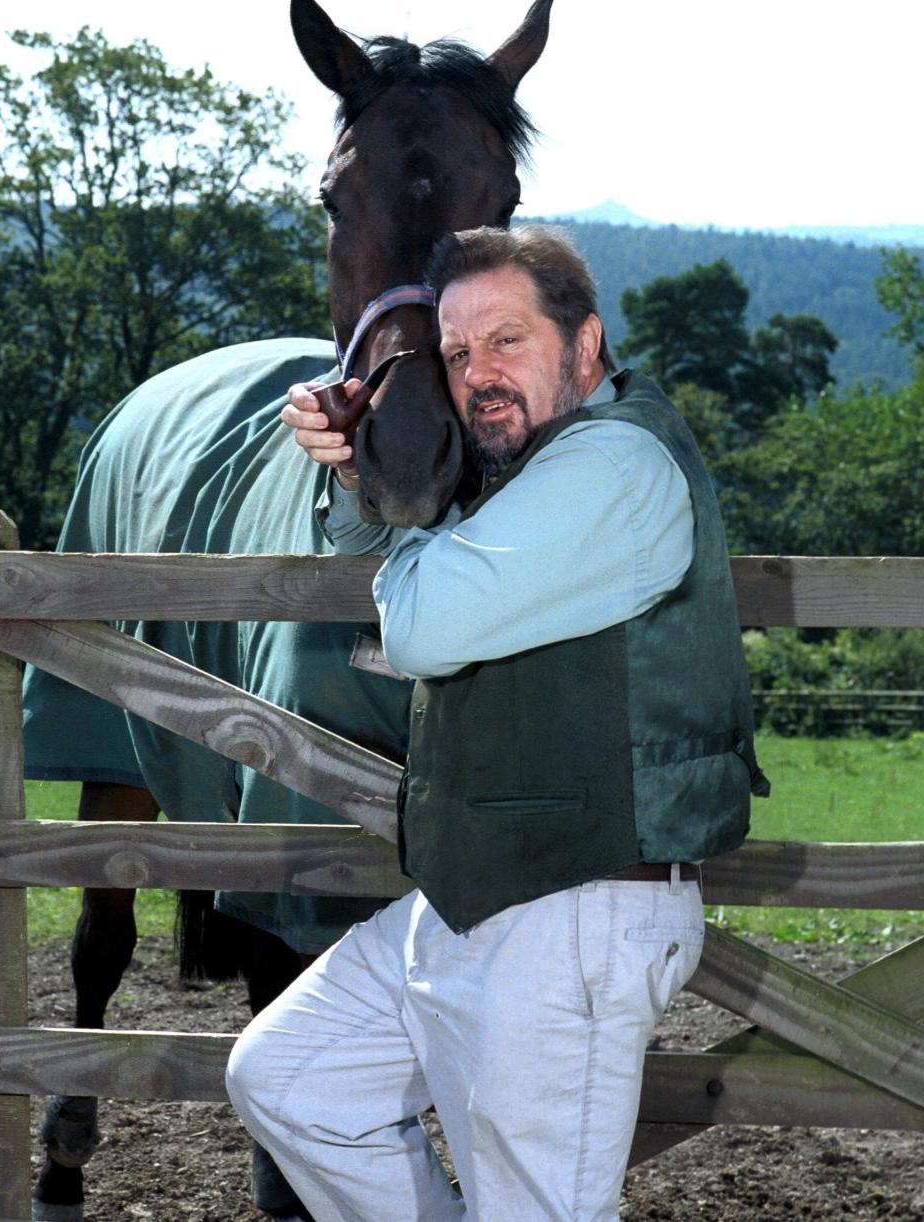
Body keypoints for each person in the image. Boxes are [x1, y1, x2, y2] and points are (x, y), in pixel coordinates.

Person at [226, 225, 767, 1221]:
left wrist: (414, 526)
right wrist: (364, 475)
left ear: (586, 345)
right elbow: (411, 547)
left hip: (577, 911)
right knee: (293, 1078)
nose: (477, 376)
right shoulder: (527, 466)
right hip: (475, 890)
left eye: (505, 342)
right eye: (458, 353)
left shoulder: (613, 468)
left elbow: (426, 628)